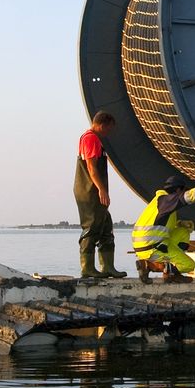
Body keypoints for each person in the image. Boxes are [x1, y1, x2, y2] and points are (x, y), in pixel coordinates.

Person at [132, 175, 195, 281]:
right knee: (188, 265)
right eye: (182, 191)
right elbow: (188, 197)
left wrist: (179, 224)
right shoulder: (167, 200)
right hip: (152, 248)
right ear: (178, 189)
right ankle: (152, 266)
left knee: (183, 231)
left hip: (147, 245)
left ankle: (170, 271)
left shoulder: (160, 202)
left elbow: (158, 225)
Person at [74, 111, 126, 279]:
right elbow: (91, 168)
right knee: (92, 227)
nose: (109, 132)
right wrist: (101, 190)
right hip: (89, 191)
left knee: (105, 228)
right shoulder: (91, 138)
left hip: (94, 191)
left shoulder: (94, 138)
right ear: (102, 125)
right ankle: (87, 268)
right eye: (109, 128)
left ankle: (107, 267)